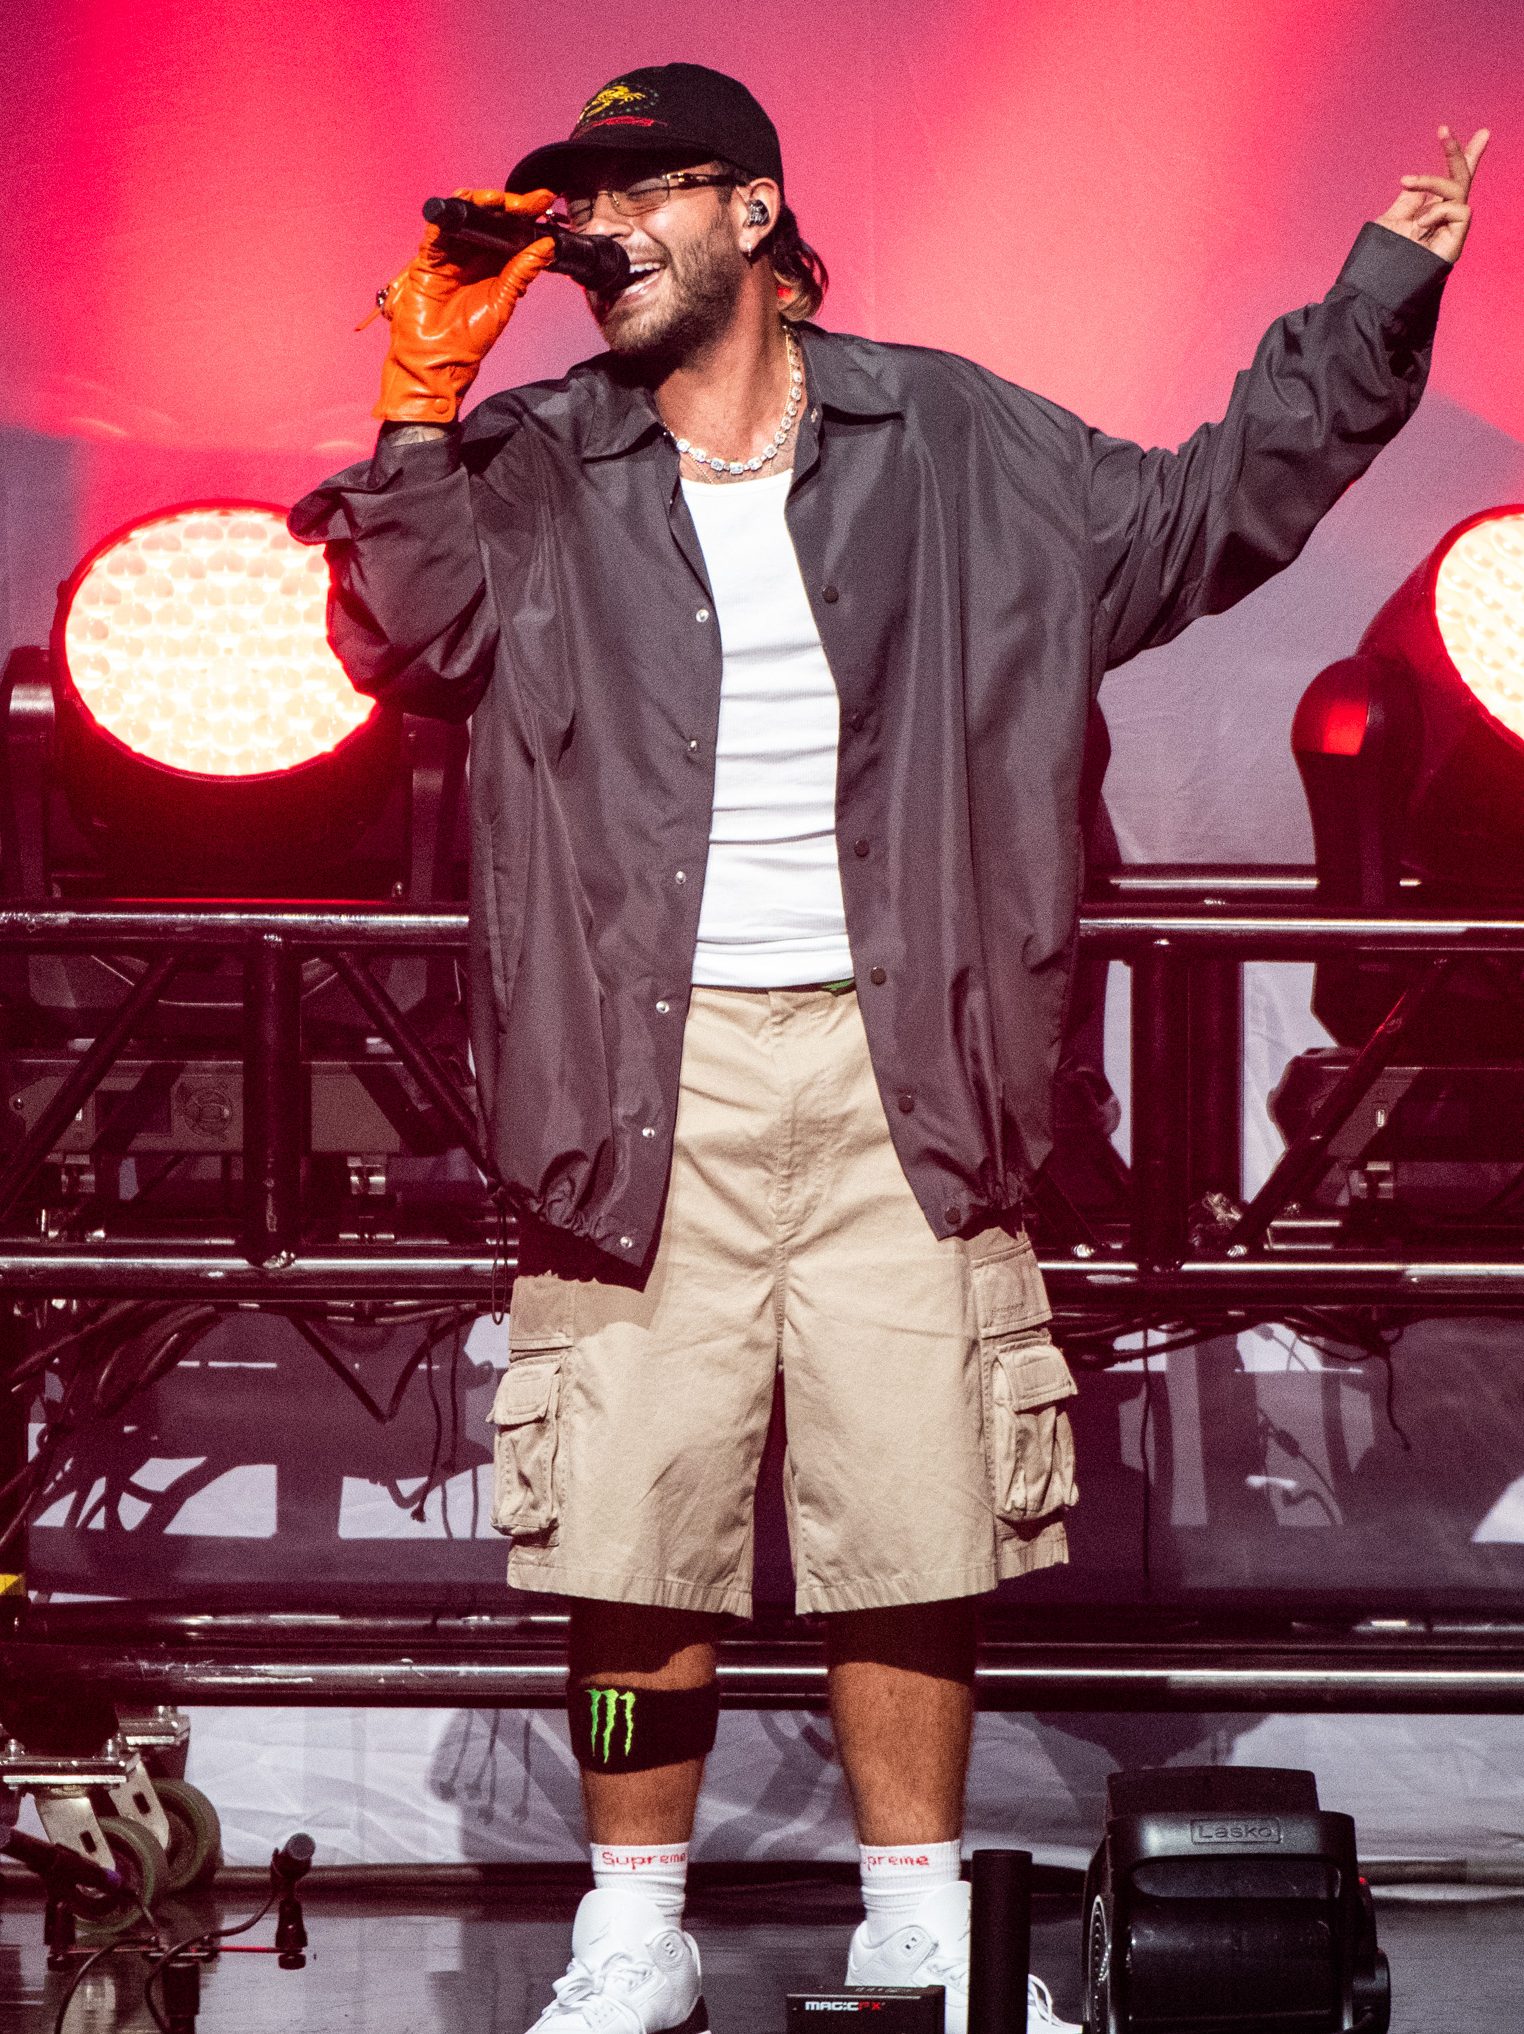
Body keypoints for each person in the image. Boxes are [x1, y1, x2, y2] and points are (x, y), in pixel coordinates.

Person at [291, 64, 1487, 2034]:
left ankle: (916, 1915)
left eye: (640, 192)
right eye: (576, 202)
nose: (596, 232)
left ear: (753, 214)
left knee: (909, 1521)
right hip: (630, 1087)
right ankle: (631, 1920)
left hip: (900, 1072)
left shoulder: (957, 443)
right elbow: (398, 632)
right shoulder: (529, 464)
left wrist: (1373, 302)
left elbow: (1204, 514)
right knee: (628, 1538)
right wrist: (417, 404)